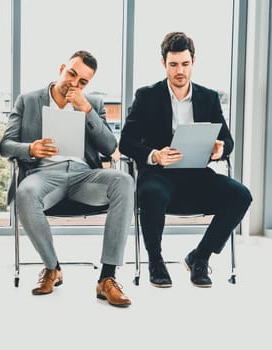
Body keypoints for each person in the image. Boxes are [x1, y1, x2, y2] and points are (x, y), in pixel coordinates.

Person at [0, 50, 134, 307]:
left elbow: (109, 147)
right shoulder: (28, 101)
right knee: (25, 192)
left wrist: (86, 110)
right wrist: (30, 149)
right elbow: (6, 145)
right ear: (62, 67)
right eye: (71, 73)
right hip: (44, 175)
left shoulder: (92, 104)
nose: (74, 83)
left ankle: (107, 278)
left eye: (82, 81)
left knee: (124, 181)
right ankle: (52, 268)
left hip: (84, 176)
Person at [119, 32, 253, 288]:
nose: (179, 71)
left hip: (196, 175)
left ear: (193, 61)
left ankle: (199, 257)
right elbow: (126, 141)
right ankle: (156, 261)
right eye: (173, 64)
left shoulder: (208, 97)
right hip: (159, 173)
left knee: (241, 195)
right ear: (163, 64)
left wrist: (220, 149)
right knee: (151, 194)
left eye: (184, 64)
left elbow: (228, 141)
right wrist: (154, 155)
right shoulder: (147, 96)